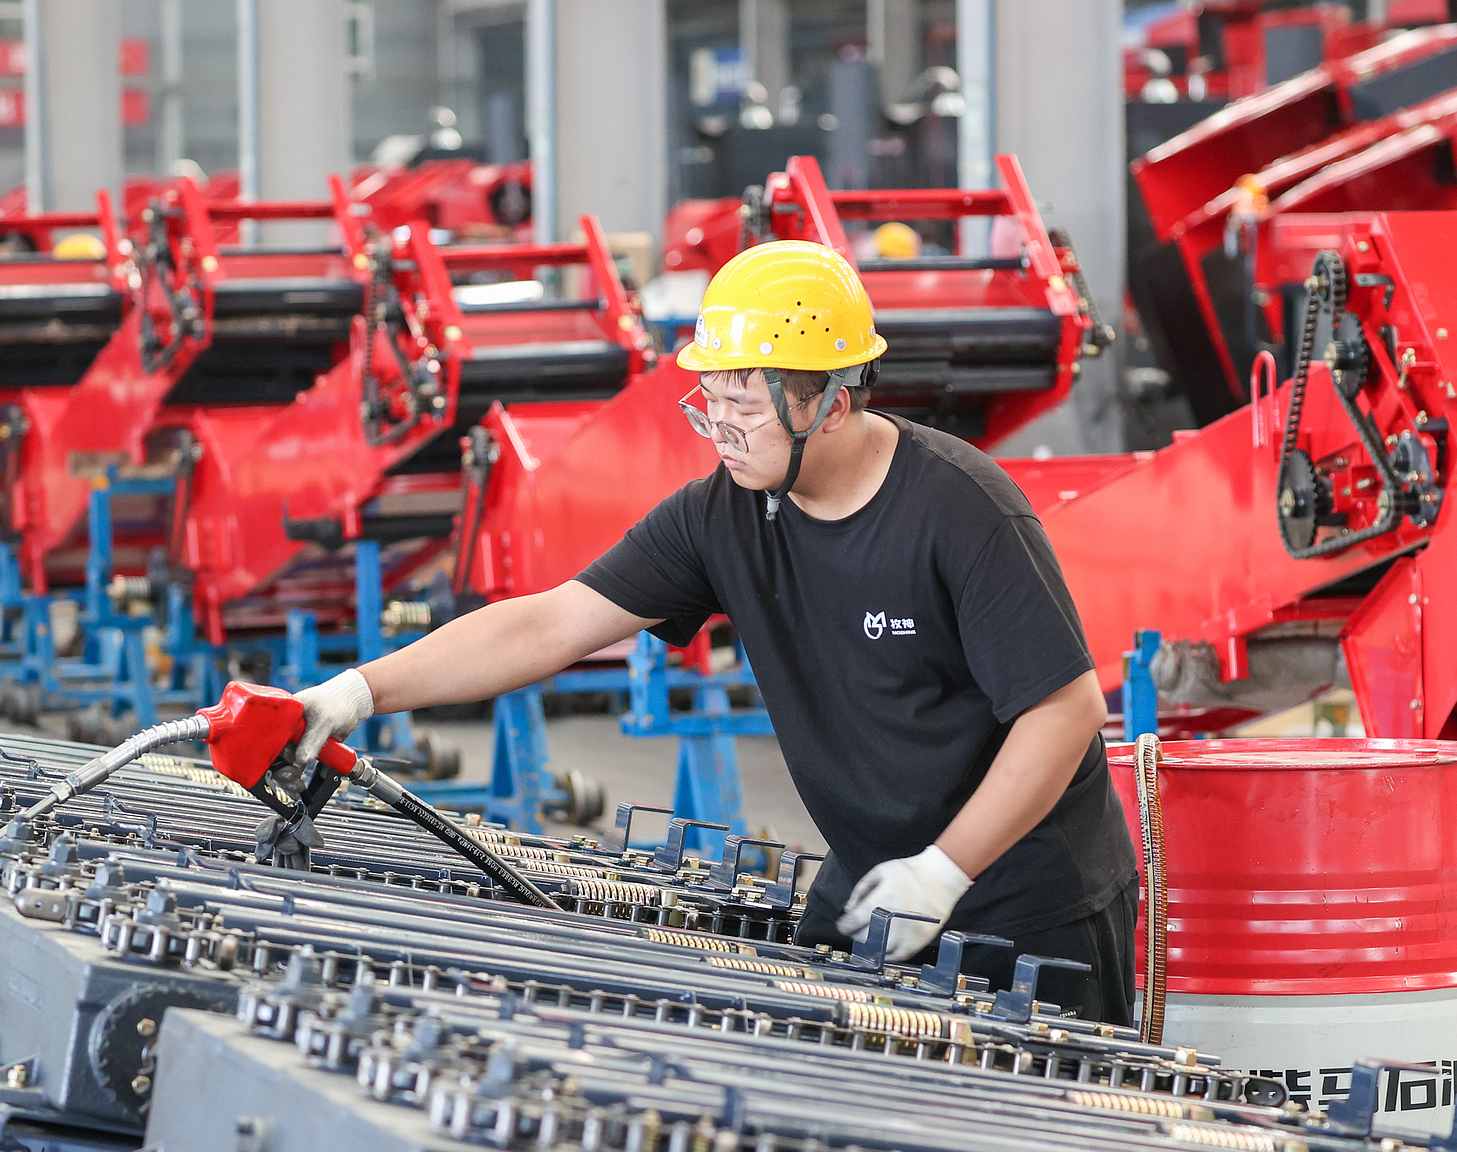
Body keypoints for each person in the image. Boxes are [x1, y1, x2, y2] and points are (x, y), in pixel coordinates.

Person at [291, 240, 1138, 1022]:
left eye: (744, 403)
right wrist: (356, 691)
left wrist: (947, 869)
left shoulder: (962, 510)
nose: (720, 427)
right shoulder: (722, 515)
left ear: (832, 403)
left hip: (1025, 896)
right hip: (877, 877)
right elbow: (552, 623)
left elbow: (1061, 711)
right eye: (712, 400)